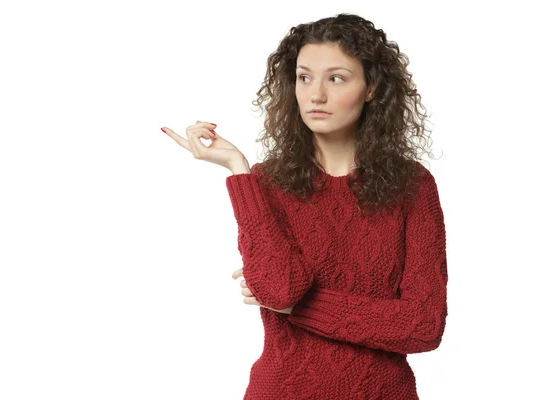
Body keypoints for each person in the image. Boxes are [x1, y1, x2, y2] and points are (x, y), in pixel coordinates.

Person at [161, 13, 447, 400]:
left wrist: (299, 307)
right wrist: (238, 170)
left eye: (336, 78)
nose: (316, 95)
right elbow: (280, 290)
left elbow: (423, 326)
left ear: (372, 88)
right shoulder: (266, 182)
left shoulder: (413, 186)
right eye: (304, 77)